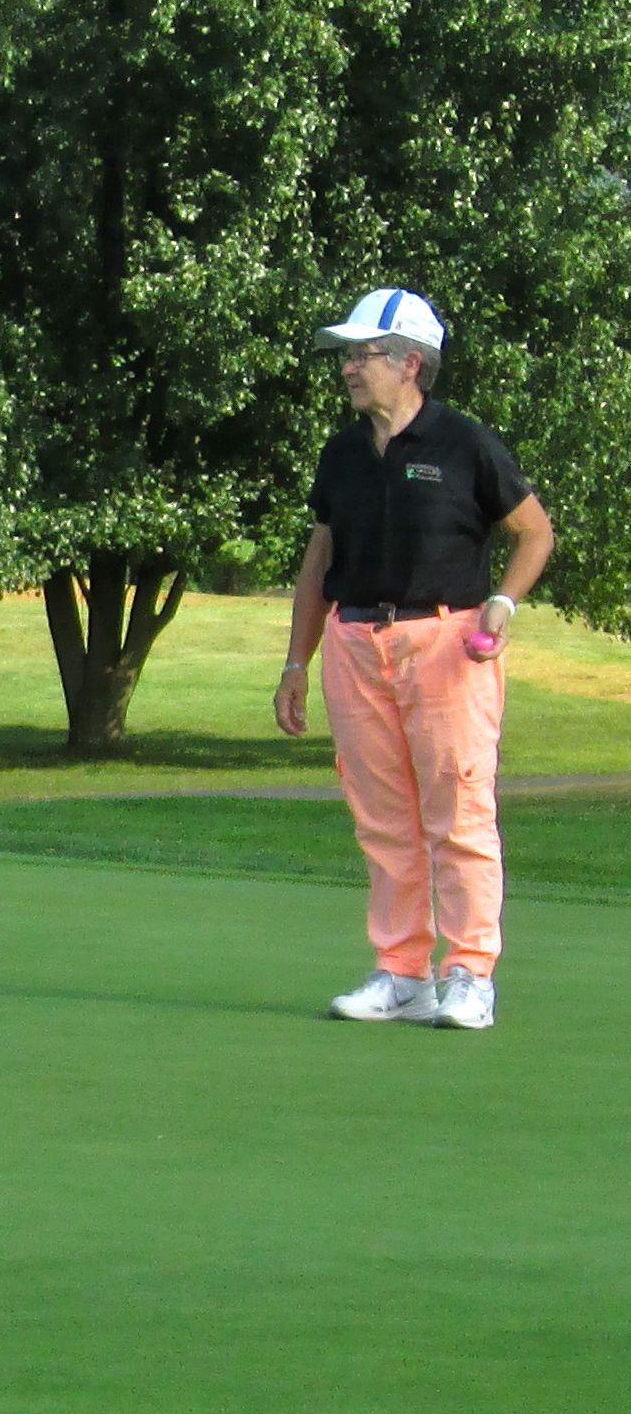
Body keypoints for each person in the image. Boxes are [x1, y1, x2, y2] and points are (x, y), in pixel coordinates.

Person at [274, 289, 555, 1029]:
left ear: (410, 361)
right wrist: (295, 663)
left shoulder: (464, 444)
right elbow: (319, 559)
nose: (348, 368)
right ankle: (402, 972)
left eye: (362, 354)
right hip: (355, 643)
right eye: (346, 355)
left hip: (447, 646)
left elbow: (535, 533)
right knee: (384, 822)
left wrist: (505, 604)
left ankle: (471, 973)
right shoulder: (341, 453)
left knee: (458, 815)